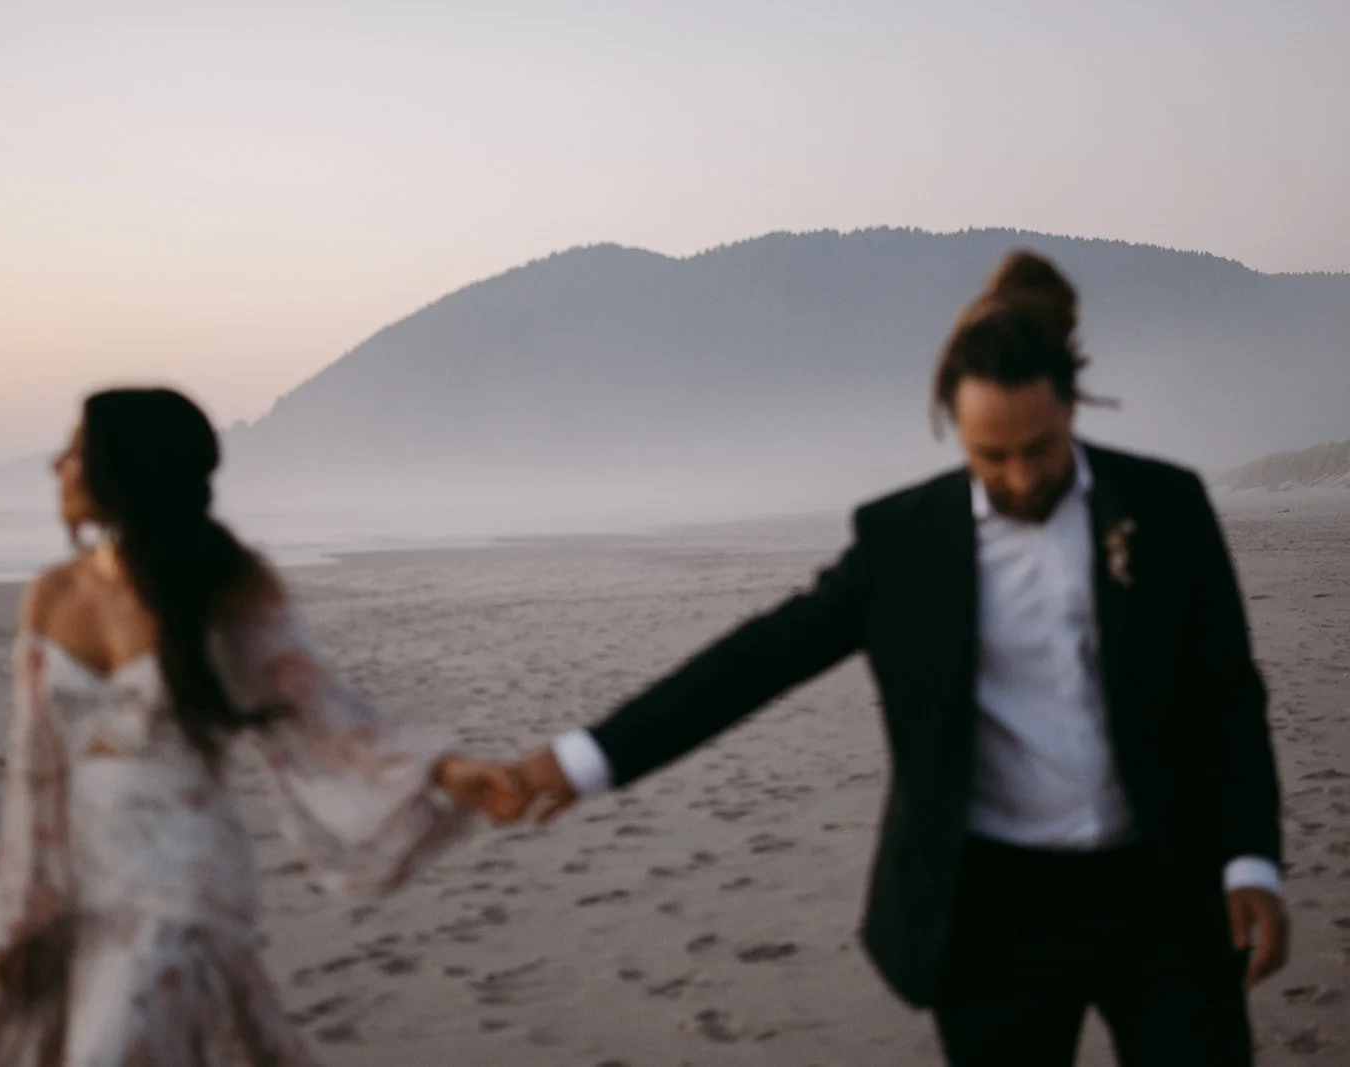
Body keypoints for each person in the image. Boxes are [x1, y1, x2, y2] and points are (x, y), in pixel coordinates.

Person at [498, 251, 1289, 1065]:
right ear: (952, 426)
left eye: (1041, 449)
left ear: (1071, 408)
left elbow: (1228, 694)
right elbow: (758, 660)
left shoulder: (1166, 505)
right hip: (990, 913)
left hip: (1165, 888)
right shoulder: (904, 542)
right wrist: (585, 758)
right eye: (991, 456)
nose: (1020, 476)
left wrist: (1251, 858)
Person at [0, 386, 517, 1066]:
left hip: (182, 879)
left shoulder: (219, 581)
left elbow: (321, 713)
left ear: (124, 467)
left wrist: (444, 770)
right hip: (83, 883)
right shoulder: (50, 595)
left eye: (76, 450)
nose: (57, 465)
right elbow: (34, 768)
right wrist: (21, 916)